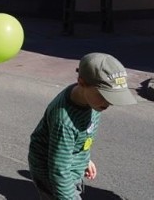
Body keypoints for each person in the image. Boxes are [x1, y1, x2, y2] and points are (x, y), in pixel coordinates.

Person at [28, 52, 136, 199]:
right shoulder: (64, 121)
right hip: (51, 172)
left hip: (67, 162)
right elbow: (59, 172)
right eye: (104, 95)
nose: (109, 103)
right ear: (82, 82)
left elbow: (82, 137)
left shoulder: (92, 101)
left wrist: (84, 158)